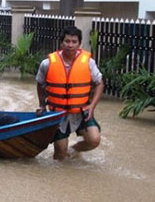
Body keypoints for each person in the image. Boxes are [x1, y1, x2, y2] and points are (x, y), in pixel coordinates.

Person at [36, 26, 104, 160]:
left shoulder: (89, 63)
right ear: (61, 43)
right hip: (58, 114)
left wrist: (92, 106)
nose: (70, 45)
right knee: (60, 153)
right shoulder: (47, 63)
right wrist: (42, 105)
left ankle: (74, 150)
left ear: (79, 44)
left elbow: (100, 83)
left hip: (81, 111)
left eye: (74, 42)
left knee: (94, 140)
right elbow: (40, 84)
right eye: (67, 41)